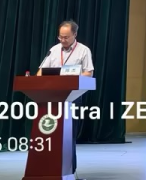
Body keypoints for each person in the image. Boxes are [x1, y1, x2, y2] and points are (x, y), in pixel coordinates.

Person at [37, 20, 94, 175]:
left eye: (66, 37)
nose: (62, 40)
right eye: (60, 37)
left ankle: (69, 170)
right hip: (51, 97)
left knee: (68, 134)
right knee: (50, 131)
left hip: (72, 97)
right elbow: (41, 71)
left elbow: (88, 73)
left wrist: (72, 80)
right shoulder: (53, 50)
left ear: (75, 34)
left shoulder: (84, 50)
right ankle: (49, 168)